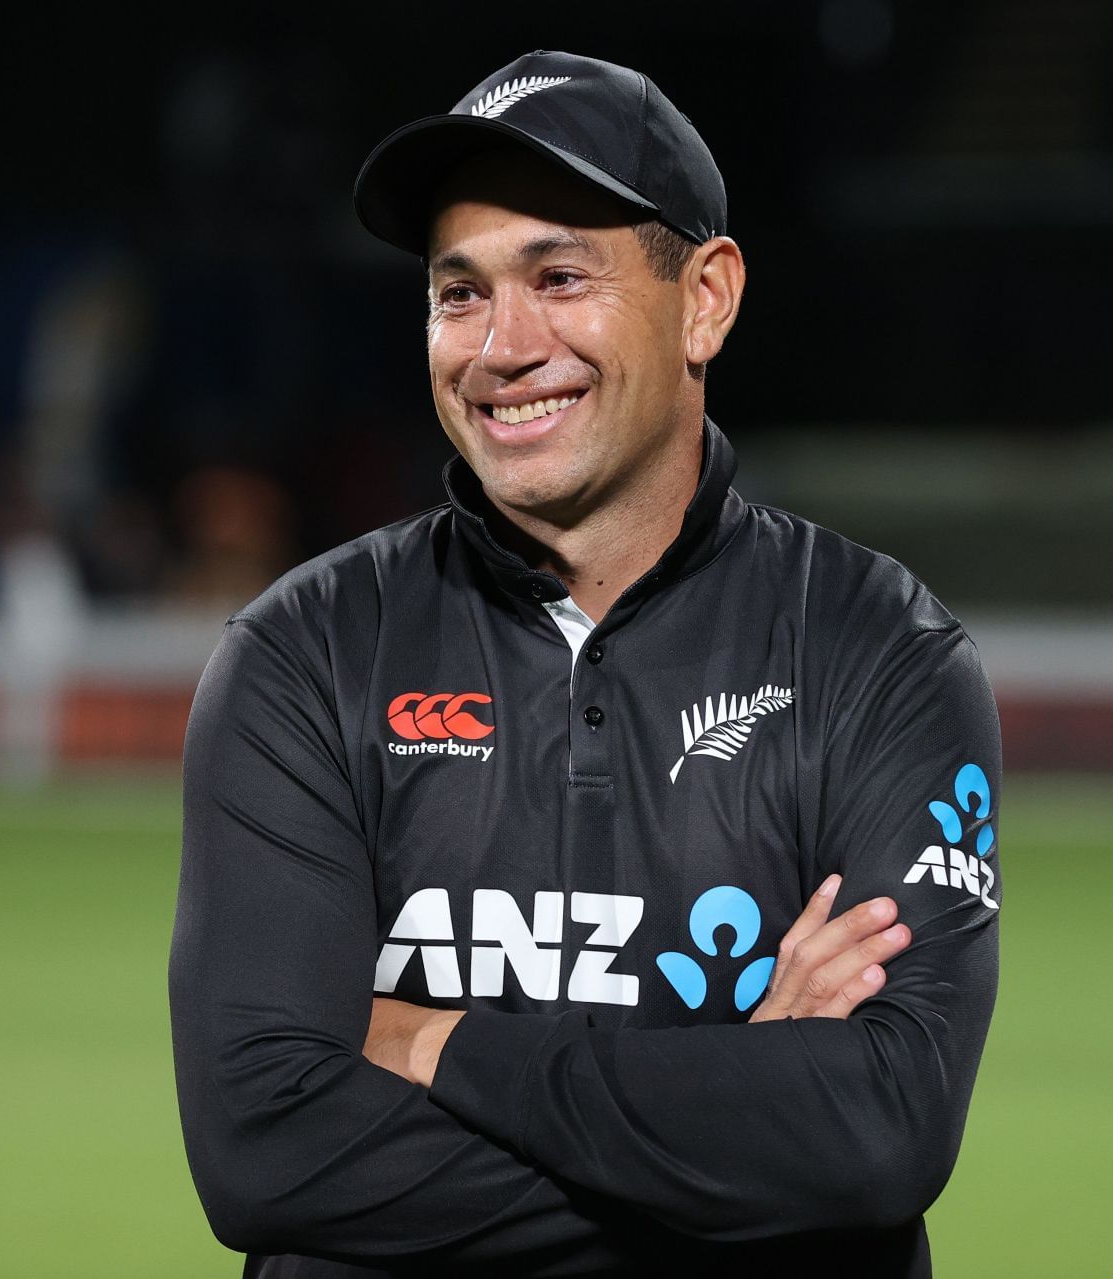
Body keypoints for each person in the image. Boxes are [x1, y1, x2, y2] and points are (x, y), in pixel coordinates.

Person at [169, 50, 1002, 1279]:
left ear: (706, 299)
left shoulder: (881, 650)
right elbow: (262, 1148)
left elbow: (878, 1133)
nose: (504, 346)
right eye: (460, 294)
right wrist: (736, 1124)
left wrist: (433, 1045)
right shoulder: (303, 655)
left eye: (561, 276)